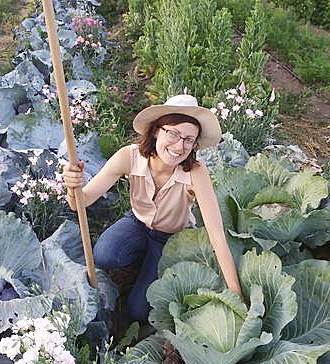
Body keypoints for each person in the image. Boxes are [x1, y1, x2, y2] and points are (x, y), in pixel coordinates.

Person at [63, 94, 244, 323]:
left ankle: (152, 264)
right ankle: (143, 261)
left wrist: (236, 293)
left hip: (170, 241)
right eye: (174, 133)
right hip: (137, 224)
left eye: (189, 139)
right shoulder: (129, 157)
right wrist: (73, 186)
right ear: (157, 130)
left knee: (138, 311)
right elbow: (80, 202)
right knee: (104, 254)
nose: (180, 146)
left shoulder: (196, 173)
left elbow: (216, 235)